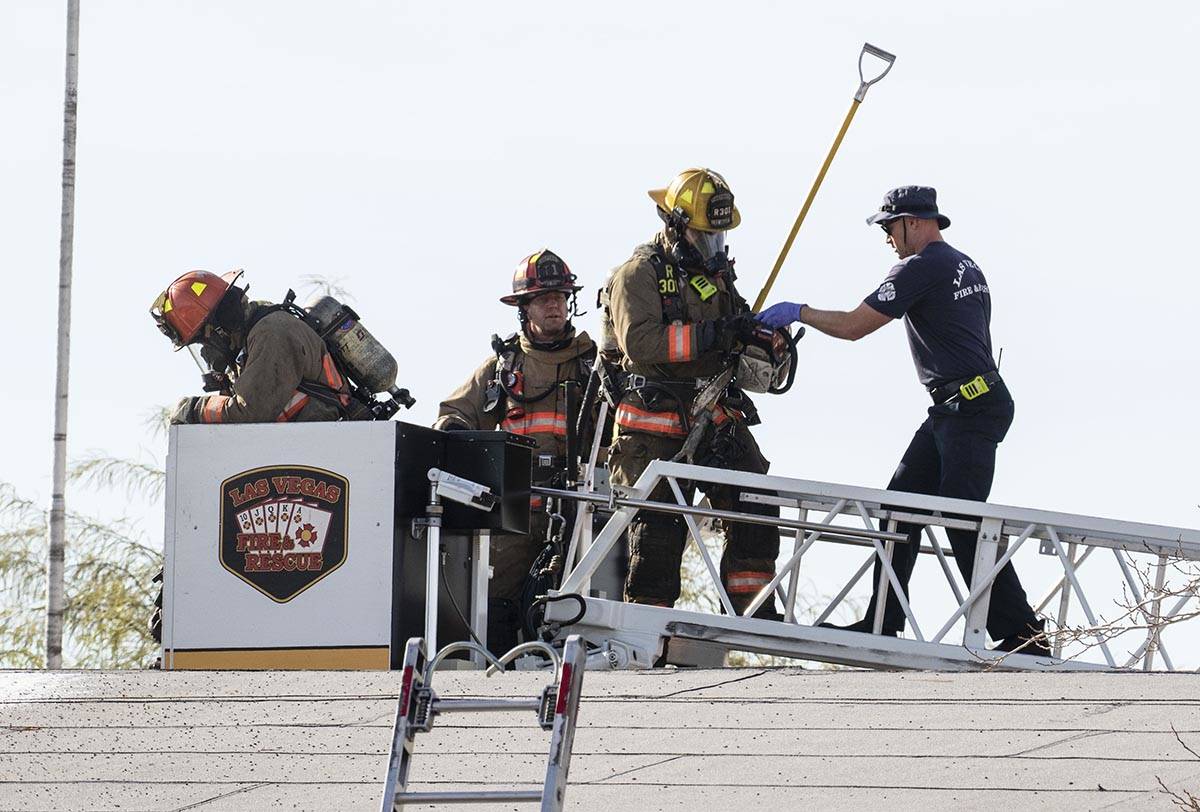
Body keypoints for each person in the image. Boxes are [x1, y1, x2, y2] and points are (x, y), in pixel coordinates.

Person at [758, 185, 1050, 656]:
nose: (887, 238)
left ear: (912, 222)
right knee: (899, 508)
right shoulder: (964, 264)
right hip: (957, 407)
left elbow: (855, 326)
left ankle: (1023, 634)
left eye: (889, 227)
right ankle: (883, 618)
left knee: (965, 517)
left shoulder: (920, 267)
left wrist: (799, 312)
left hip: (969, 408)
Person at [602, 167, 784, 617]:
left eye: (718, 238)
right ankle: (647, 635)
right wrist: (712, 334)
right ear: (676, 226)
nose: (714, 248)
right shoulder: (637, 274)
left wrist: (762, 342)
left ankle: (755, 613)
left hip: (714, 416)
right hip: (653, 425)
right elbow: (640, 342)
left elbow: (733, 335)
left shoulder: (716, 275)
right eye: (705, 237)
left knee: (755, 502)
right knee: (657, 535)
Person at [435, 250, 597, 653]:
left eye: (560, 296)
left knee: (581, 601)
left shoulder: (594, 367)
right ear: (524, 308)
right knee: (498, 600)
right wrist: (457, 436)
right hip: (515, 509)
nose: (554, 304)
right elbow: (454, 414)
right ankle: (500, 679)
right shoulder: (500, 368)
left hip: (578, 506)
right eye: (543, 298)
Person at [150, 269, 358, 424]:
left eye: (202, 342)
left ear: (218, 328)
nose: (206, 353)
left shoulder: (272, 333)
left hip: (329, 442)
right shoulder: (248, 348)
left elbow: (247, 413)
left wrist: (193, 410)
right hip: (311, 446)